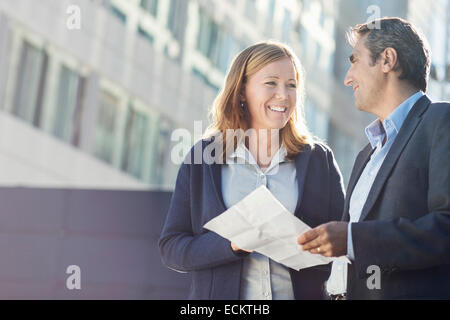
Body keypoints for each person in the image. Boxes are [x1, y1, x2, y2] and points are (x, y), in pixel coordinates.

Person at [159, 41, 345, 300]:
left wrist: (317, 245)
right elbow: (172, 249)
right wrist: (232, 244)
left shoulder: (317, 160)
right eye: (271, 83)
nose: (283, 95)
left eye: (291, 85)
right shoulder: (204, 159)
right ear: (242, 90)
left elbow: (344, 245)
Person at [297, 17, 450, 299]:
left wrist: (353, 239)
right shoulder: (366, 155)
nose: (347, 77)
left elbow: (445, 227)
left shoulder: (442, 122)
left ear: (388, 60)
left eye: (355, 61)